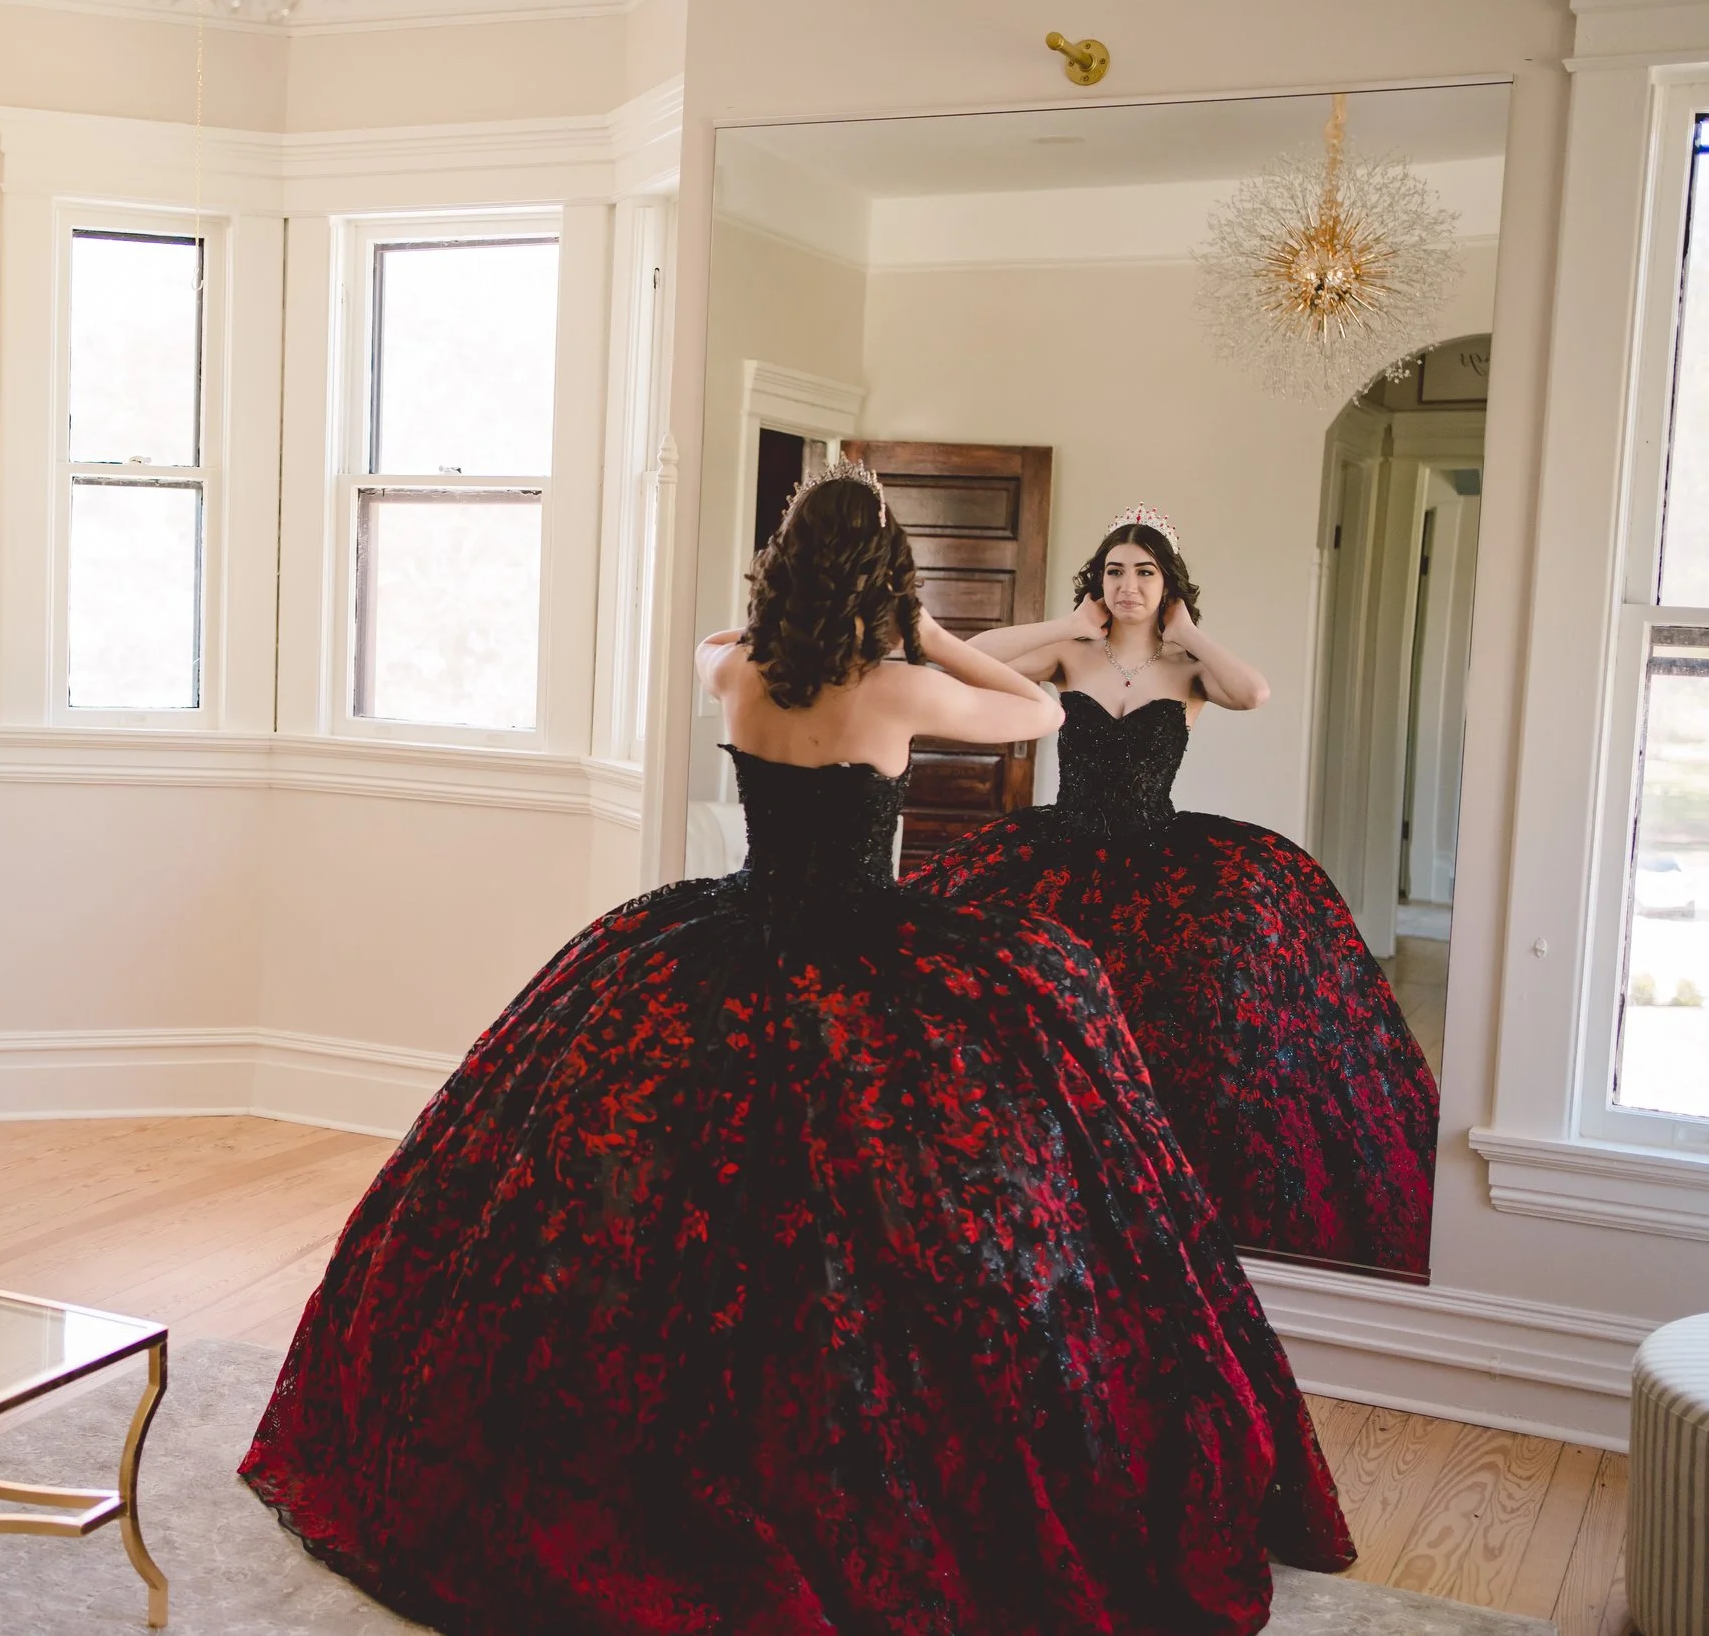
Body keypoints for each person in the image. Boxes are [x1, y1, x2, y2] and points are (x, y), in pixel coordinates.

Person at [241, 470, 1353, 1636]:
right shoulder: (898, 681)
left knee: (673, 1182)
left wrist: (793, 611)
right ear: (886, 579)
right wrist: (924, 629)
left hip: (733, 929)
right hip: (867, 947)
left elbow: (714, 642)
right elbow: (1034, 712)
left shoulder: (734, 666)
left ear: (783, 568)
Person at [906, 503, 1440, 1280]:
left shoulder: (1190, 668)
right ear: (1099, 581)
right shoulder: (1069, 654)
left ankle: (1155, 1193)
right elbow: (974, 657)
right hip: (1061, 851)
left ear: (1168, 584)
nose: (1128, 585)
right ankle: (1049, 1184)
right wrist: (1068, 621)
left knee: (1175, 1021)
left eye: (1145, 572)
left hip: (1161, 855)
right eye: (1115, 571)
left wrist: (1189, 631)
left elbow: (1253, 692)